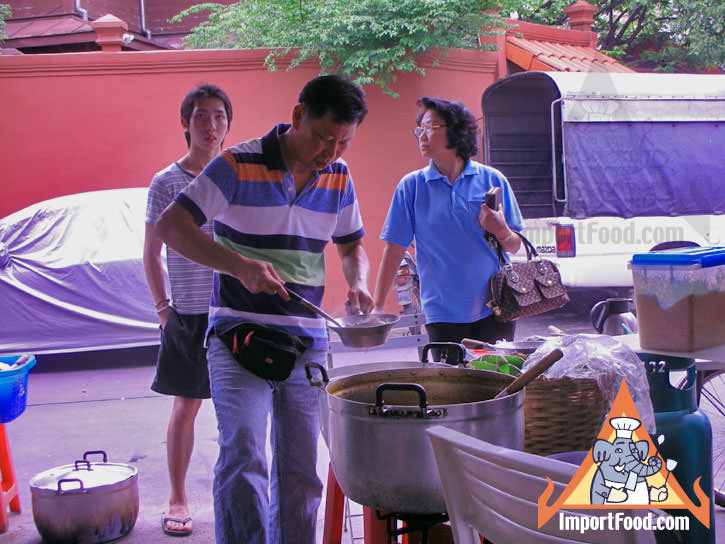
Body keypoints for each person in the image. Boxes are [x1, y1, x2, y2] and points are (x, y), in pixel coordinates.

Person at [155, 74, 373, 544]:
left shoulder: (338, 175)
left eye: (344, 142)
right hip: (238, 335)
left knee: (300, 469)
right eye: (322, 136)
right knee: (244, 454)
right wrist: (239, 266)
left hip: (307, 341)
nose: (330, 151)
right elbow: (172, 227)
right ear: (297, 117)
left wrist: (359, 281)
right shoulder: (236, 164)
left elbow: (352, 243)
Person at [143, 84, 232, 537]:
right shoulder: (167, 182)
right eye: (200, 115)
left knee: (241, 408)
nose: (210, 125)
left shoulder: (237, 173)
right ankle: (177, 497)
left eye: (219, 116)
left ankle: (237, 496)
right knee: (186, 405)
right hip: (190, 312)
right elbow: (151, 251)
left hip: (234, 311)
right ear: (185, 123)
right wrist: (164, 309)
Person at [373, 96, 523, 348]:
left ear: (457, 131)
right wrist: (378, 306)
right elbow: (394, 249)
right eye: (420, 128)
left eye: (431, 127)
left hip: (497, 307)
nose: (422, 135)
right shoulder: (411, 187)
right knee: (450, 384)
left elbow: (515, 246)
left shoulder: (491, 179)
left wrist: (501, 230)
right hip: (441, 312)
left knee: (497, 382)